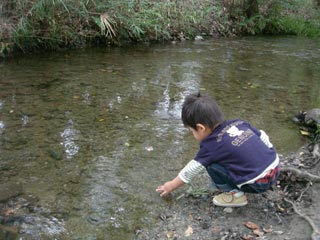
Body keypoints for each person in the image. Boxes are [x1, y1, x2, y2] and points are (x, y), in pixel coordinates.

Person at [156, 93, 280, 207]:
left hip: (257, 184)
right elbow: (262, 135)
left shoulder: (211, 145)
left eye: (192, 131)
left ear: (200, 128)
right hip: (275, 169)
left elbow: (192, 168)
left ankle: (235, 195)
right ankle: (260, 172)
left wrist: (171, 185)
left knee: (211, 165)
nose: (193, 135)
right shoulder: (239, 123)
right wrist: (268, 152)